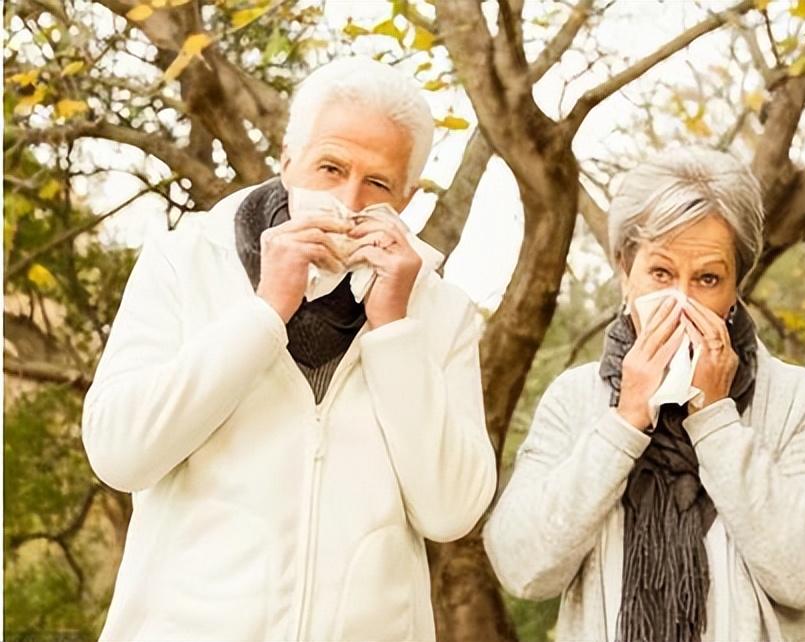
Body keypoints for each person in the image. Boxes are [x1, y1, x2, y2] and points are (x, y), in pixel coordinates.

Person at [82, 57, 497, 641]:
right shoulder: (185, 259)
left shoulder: (443, 312)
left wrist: (395, 331)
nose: (349, 200)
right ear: (286, 161)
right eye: (330, 167)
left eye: (377, 183)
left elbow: (451, 512)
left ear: (406, 198)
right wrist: (263, 312)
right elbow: (119, 454)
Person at [483, 147, 805, 642]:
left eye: (707, 279)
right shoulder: (575, 398)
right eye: (661, 274)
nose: (681, 301)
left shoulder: (795, 398)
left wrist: (717, 419)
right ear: (624, 272)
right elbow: (522, 568)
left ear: (735, 288)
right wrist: (623, 423)